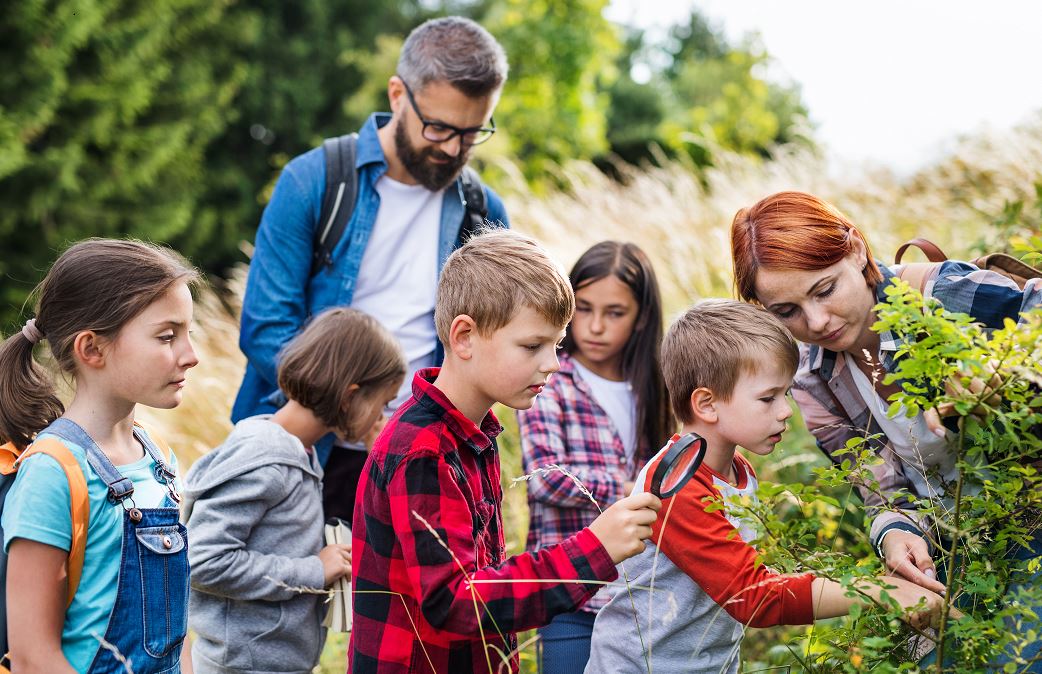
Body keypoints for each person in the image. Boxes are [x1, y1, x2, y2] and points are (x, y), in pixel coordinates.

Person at [729, 190, 1042, 668]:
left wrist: (1010, 377)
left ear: (856, 250)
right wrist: (894, 533)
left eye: (824, 290)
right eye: (786, 311)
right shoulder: (812, 375)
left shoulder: (941, 297)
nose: (816, 322)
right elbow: (879, 484)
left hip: (1029, 518)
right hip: (956, 547)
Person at [232, 16, 510, 523]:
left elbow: (489, 343)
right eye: (440, 128)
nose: (453, 149)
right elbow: (266, 328)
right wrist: (360, 416)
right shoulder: (314, 181)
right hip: (306, 452)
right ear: (398, 93)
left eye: (472, 134)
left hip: (424, 457)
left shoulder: (483, 211)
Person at [349, 229, 663, 674]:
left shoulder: (474, 434)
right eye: (533, 346)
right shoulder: (423, 451)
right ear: (464, 337)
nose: (553, 362)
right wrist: (594, 549)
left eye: (556, 345)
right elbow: (456, 601)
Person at [585, 299, 944, 674]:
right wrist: (879, 591)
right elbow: (753, 597)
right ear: (707, 405)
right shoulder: (678, 486)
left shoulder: (738, 470)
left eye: (786, 393)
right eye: (768, 397)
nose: (786, 410)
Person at [0, 239, 198, 673]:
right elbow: (34, 660)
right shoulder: (51, 473)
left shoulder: (159, 459)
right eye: (167, 336)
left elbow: (175, 634)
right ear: (92, 349)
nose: (191, 356)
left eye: (190, 334)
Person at [183, 307, 405, 674]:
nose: (383, 417)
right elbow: (202, 560)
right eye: (382, 403)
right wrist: (313, 570)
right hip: (242, 666)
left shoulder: (301, 453)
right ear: (350, 397)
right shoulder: (267, 459)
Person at [517, 241, 672, 673]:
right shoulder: (549, 378)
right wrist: (630, 490)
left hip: (642, 593)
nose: (595, 326)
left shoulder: (655, 386)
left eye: (614, 313)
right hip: (571, 590)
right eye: (583, 308)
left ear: (641, 317)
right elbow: (544, 476)